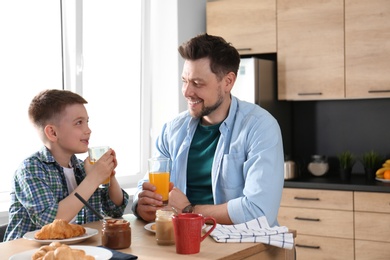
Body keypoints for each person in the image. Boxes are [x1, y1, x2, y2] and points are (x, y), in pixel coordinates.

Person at [132, 33, 285, 226]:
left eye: (197, 83)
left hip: (244, 245)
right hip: (183, 240)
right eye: (184, 81)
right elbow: (147, 191)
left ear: (228, 82)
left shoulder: (260, 127)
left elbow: (258, 211)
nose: (187, 92)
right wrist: (142, 204)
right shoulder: (172, 131)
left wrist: (189, 210)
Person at [4, 89, 129, 241]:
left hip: (76, 250)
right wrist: (93, 179)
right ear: (53, 133)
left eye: (87, 122)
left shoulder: (83, 168)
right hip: (30, 253)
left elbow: (115, 209)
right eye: (79, 123)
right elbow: (50, 222)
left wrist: (109, 175)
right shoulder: (30, 170)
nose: (88, 130)